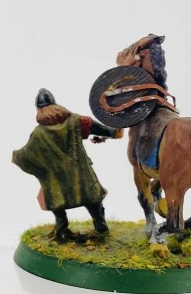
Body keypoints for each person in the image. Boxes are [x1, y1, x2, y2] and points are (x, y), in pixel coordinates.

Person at [11, 88, 121, 242]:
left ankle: (62, 228)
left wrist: (16, 156)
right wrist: (114, 133)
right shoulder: (76, 121)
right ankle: (100, 228)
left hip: (57, 178)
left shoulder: (39, 133)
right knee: (92, 200)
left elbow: (27, 154)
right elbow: (96, 127)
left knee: (56, 200)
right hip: (81, 173)